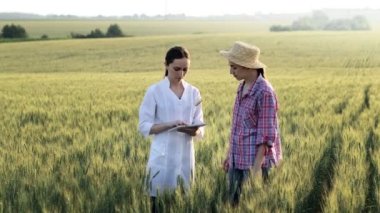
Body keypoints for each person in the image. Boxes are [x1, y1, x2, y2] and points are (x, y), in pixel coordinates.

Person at [138, 46, 205, 212]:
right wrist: (170, 125)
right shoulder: (154, 91)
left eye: (185, 69)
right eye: (177, 69)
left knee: (182, 204)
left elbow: (200, 125)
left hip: (185, 158)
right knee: (157, 204)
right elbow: (143, 126)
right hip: (162, 159)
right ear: (166, 65)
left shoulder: (194, 93)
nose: (181, 74)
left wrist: (194, 131)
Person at [220, 41, 282, 206]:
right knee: (234, 205)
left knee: (254, 205)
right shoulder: (242, 87)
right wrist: (229, 155)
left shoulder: (264, 92)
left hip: (254, 165)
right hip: (237, 161)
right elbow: (237, 127)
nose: (230, 72)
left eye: (234, 67)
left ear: (247, 67)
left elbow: (266, 135)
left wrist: (255, 171)